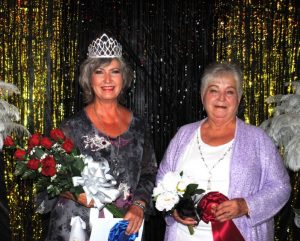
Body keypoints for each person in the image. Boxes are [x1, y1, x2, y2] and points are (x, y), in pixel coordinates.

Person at [36, 33, 157, 240]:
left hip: (122, 228)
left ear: (124, 77)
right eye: (99, 72)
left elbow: (149, 173)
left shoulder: (138, 127)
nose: (108, 80)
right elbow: (47, 181)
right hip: (75, 228)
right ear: (88, 78)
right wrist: (74, 193)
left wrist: (139, 205)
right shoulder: (71, 128)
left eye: (115, 71)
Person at [156, 62, 291, 241]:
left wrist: (245, 206)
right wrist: (172, 210)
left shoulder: (257, 139)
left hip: (239, 235)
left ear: (239, 98)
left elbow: (280, 187)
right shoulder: (183, 134)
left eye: (229, 92)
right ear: (203, 96)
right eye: (214, 90)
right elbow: (163, 179)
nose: (221, 98)